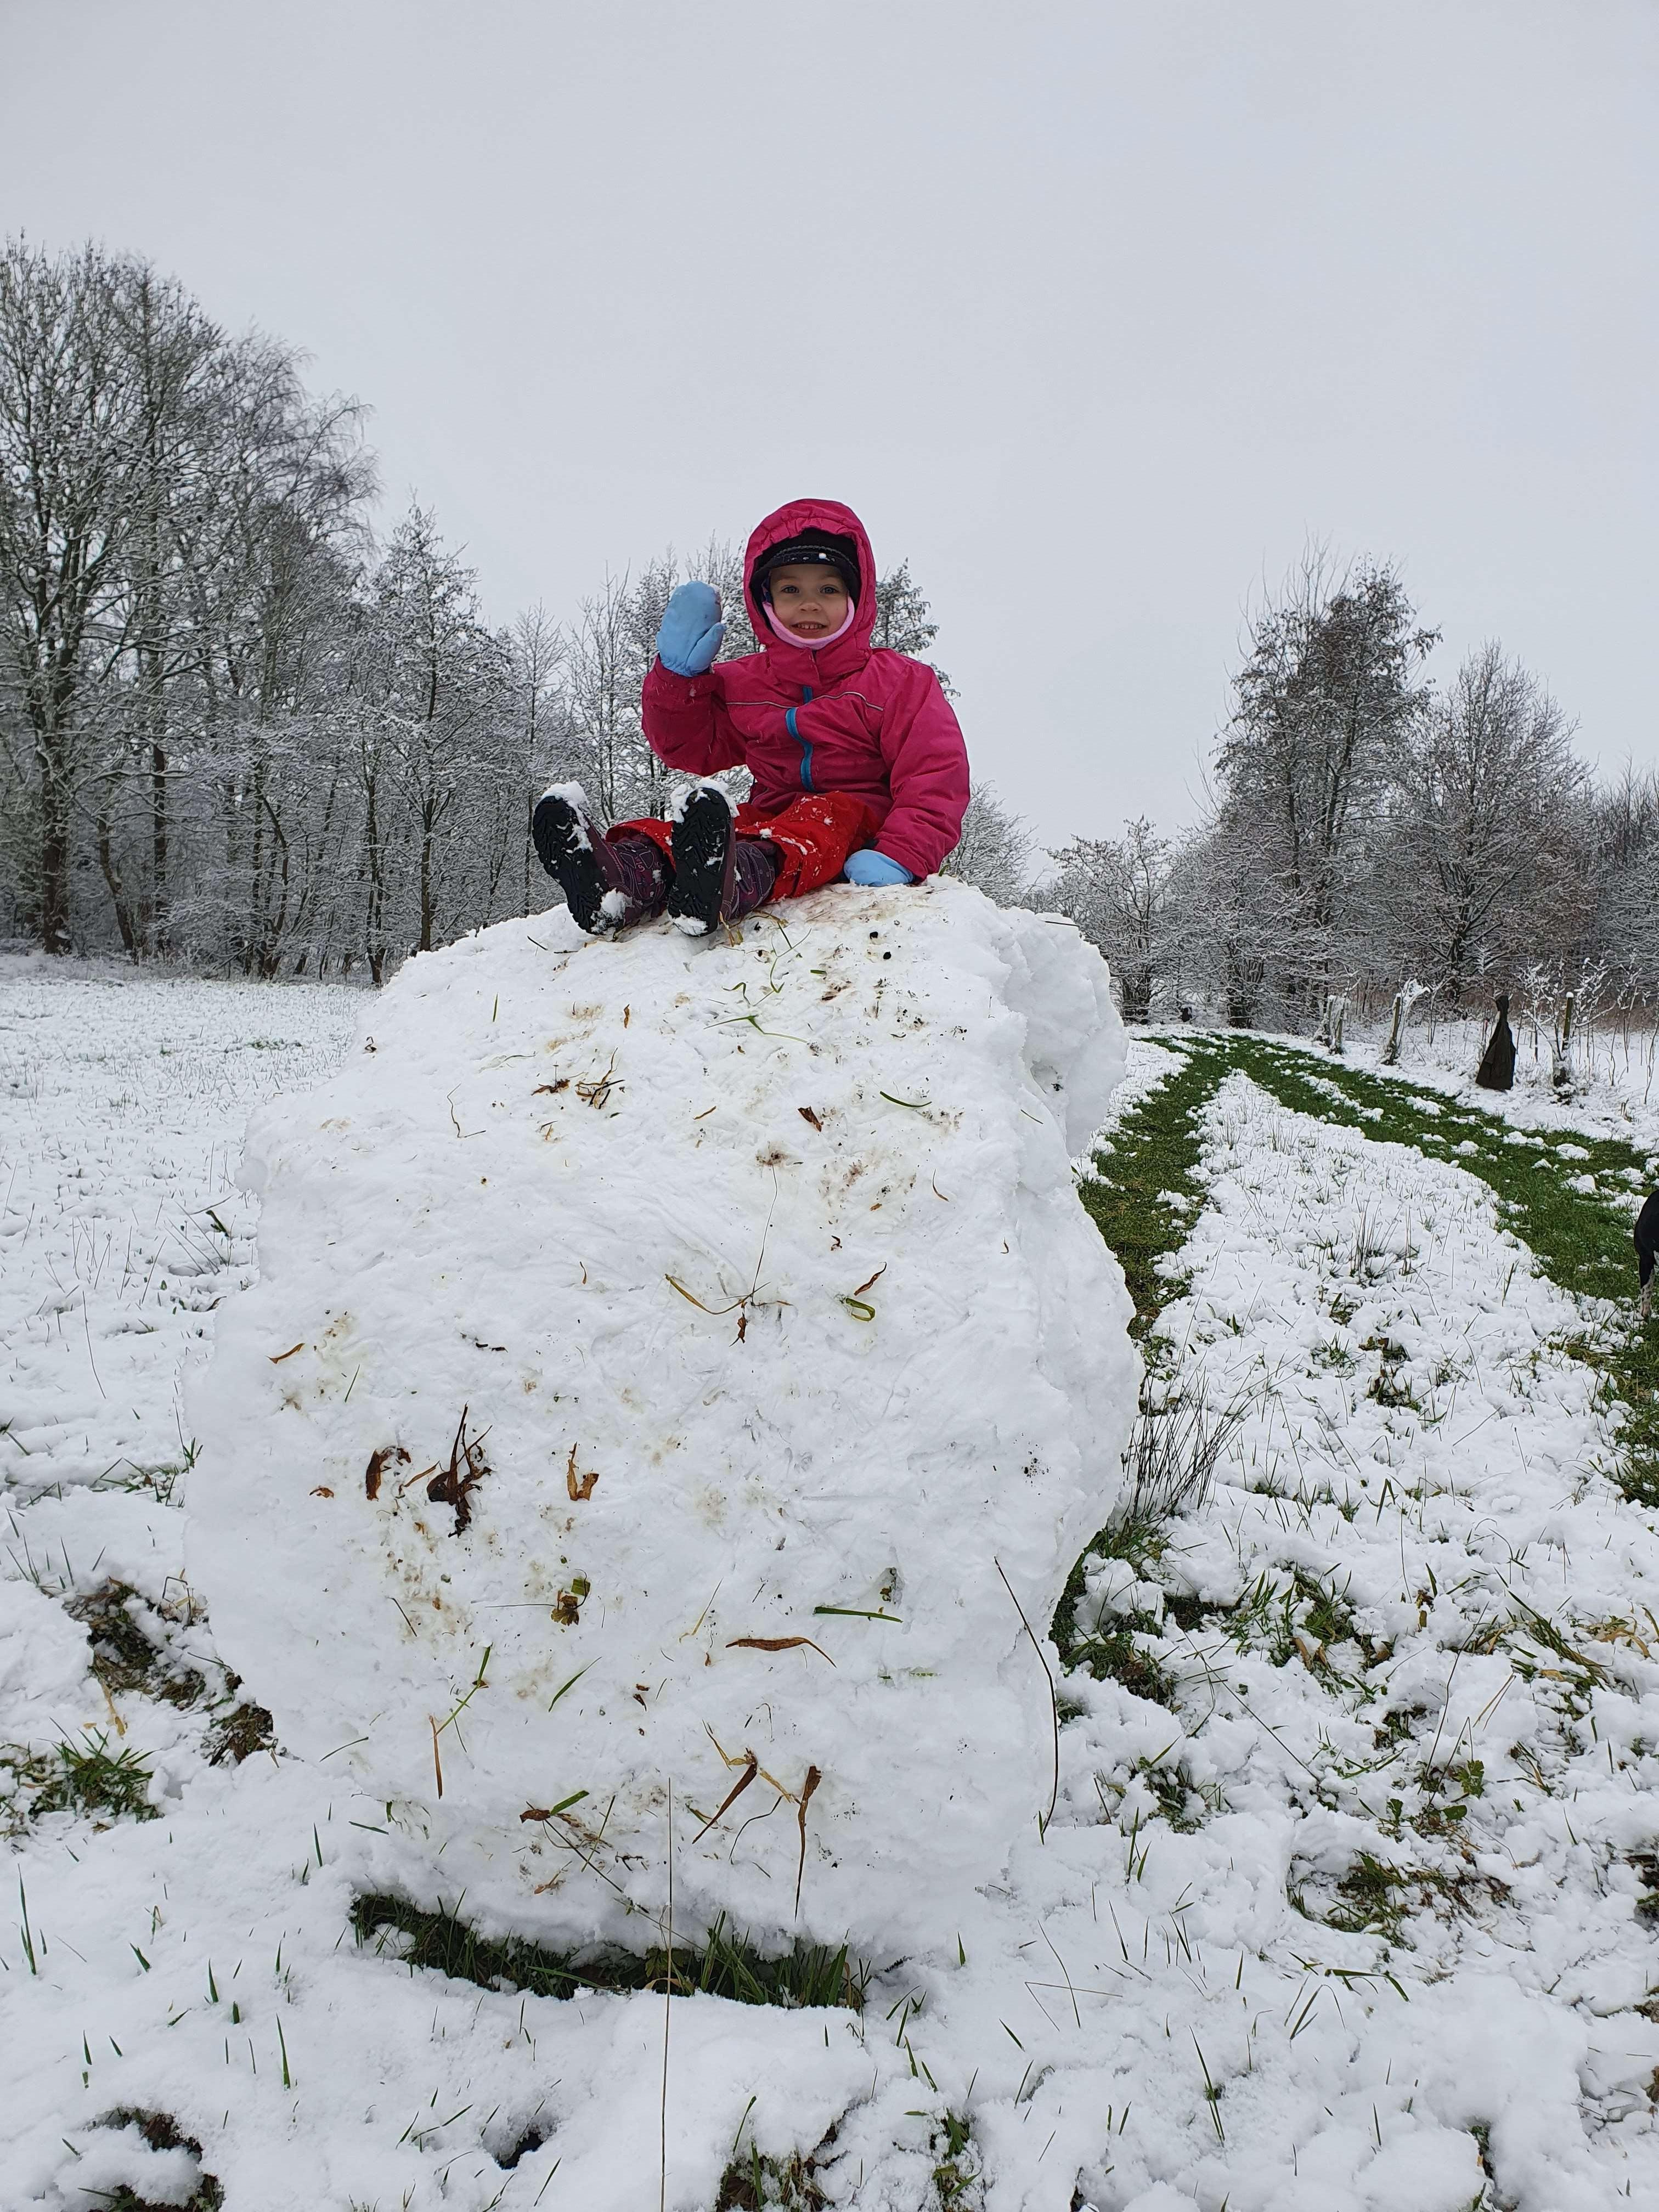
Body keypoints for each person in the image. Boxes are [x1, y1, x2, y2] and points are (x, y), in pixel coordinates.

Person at [531, 498, 970, 935]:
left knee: (819, 818)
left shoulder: (898, 682)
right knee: (719, 825)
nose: (810, 605)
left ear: (857, 597)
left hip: (861, 825)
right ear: (766, 602)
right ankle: (621, 878)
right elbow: (690, 747)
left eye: (829, 590)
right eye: (791, 590)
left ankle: (731, 879)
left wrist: (901, 853)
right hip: (770, 811)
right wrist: (678, 678)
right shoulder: (747, 683)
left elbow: (935, 777)